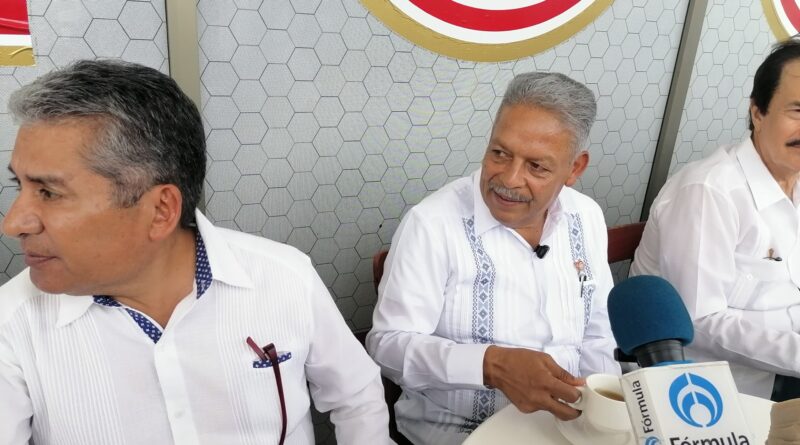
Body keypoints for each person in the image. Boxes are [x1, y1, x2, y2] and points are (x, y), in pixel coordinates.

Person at [0, 59, 391, 445]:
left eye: (48, 192)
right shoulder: (12, 323)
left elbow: (356, 395)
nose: (13, 223)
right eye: (20, 186)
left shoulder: (283, 277)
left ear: (161, 210)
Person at [367, 72, 620, 444]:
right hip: (456, 431)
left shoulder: (586, 216)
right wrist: (490, 365)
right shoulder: (433, 224)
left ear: (575, 168)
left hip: (569, 427)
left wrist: (599, 411)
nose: (509, 179)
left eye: (536, 166)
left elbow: (599, 329)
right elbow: (387, 346)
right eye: (500, 153)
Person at [631, 39, 800, 402]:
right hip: (717, 389)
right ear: (758, 112)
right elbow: (700, 321)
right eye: (798, 111)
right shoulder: (709, 191)